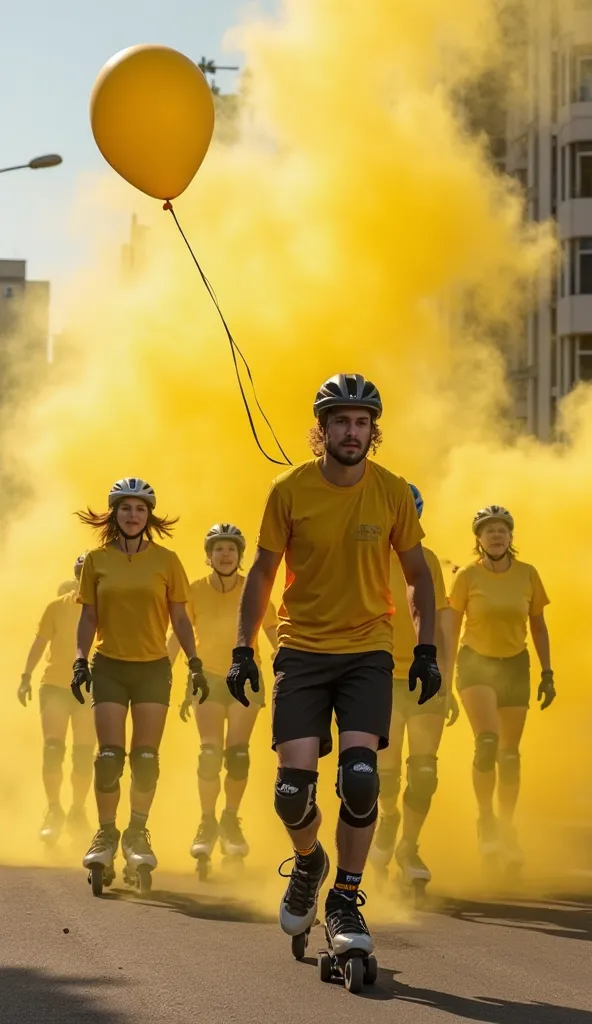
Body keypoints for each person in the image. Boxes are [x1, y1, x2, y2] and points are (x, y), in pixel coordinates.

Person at [226, 373, 441, 964]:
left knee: (362, 777)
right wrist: (244, 647)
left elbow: (419, 574)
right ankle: (309, 863)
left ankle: (345, 896)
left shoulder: (393, 491)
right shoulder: (287, 489)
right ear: (321, 431)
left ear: (374, 432)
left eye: (362, 422)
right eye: (341, 421)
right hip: (301, 648)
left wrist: (426, 649)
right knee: (292, 793)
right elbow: (262, 573)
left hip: (368, 648)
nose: (352, 431)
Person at [72, 477, 208, 889]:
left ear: (149, 516)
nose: (133, 515)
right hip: (109, 665)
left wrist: (196, 663)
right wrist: (80, 661)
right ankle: (106, 833)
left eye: (141, 509)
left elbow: (181, 618)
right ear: (114, 513)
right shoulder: (96, 560)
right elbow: (88, 618)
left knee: (145, 759)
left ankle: (136, 832)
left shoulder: (167, 560)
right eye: (126, 508)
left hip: (153, 669)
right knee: (109, 758)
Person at [447, 505, 555, 870]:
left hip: (515, 664)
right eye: (488, 530)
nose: (496, 535)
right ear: (478, 539)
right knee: (488, 742)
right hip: (476, 662)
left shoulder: (528, 575)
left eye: (502, 530)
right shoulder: (467, 578)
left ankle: (507, 828)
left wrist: (548, 672)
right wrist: (444, 680)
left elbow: (538, 625)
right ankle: (485, 821)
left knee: (509, 755)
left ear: (511, 537)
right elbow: (451, 627)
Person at [168, 523, 278, 872]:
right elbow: (177, 634)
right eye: (219, 549)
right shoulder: (194, 590)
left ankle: (230, 819)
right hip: (208, 678)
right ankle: (206, 822)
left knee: (238, 753)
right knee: (209, 752)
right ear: (209, 555)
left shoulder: (255, 589)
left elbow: (276, 632)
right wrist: (161, 672)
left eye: (231, 548)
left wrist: (291, 661)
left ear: (240, 555)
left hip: (246, 679)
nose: (225, 554)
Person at [369, 484, 458, 902]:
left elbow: (443, 625)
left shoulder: (429, 561)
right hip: (381, 678)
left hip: (424, 679)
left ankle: (409, 848)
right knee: (385, 778)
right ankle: (386, 823)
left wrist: (448, 677)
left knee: (424, 772)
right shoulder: (365, 555)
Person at [18, 553, 95, 844]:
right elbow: (40, 642)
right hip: (54, 684)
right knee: (53, 748)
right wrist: (26, 676)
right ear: (76, 576)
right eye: (83, 573)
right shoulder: (56, 607)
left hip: (91, 689)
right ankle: (54, 810)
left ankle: (77, 811)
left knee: (84, 754)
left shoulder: (110, 608)